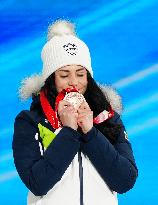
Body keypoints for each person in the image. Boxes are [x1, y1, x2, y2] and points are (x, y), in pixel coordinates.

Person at [12, 20, 138, 205]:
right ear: (51, 79)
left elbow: (125, 181)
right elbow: (37, 183)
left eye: (80, 74)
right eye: (64, 75)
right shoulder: (30, 121)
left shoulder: (108, 119)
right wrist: (69, 131)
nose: (74, 82)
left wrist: (90, 131)